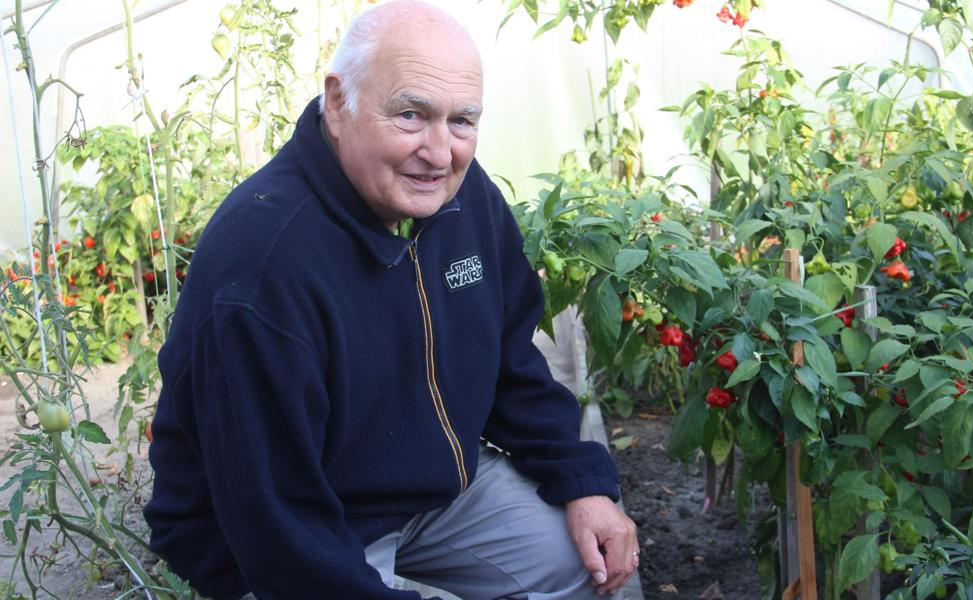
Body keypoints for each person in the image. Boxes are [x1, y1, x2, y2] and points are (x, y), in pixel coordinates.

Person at [144, 1, 638, 598]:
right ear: (337, 100)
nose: (440, 152)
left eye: (463, 121)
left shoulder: (461, 196)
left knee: (582, 561)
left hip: (430, 492)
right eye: (411, 114)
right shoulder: (263, 269)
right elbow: (269, 509)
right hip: (283, 531)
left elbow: (509, 360)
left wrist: (582, 480)